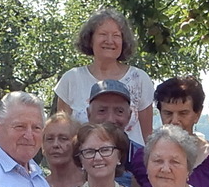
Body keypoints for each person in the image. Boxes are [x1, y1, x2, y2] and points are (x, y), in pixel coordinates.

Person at [54, 8, 155, 142]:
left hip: (131, 162)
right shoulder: (71, 79)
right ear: (90, 39)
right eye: (103, 34)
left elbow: (148, 137)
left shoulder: (140, 79)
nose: (109, 40)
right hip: (85, 161)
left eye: (116, 35)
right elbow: (62, 135)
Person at [86, 80, 151, 187]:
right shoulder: (75, 156)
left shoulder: (145, 159)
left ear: (129, 115)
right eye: (102, 110)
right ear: (88, 114)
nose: (110, 119)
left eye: (119, 111)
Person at [43, 112, 85, 187]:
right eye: (50, 139)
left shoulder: (91, 186)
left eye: (63, 138)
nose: (55, 144)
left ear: (77, 144)